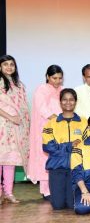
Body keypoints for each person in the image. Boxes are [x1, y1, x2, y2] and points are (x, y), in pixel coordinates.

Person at [42, 88, 88, 210]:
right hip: (57, 168)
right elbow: (48, 146)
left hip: (77, 170)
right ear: (60, 102)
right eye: (65, 100)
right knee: (57, 206)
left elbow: (87, 145)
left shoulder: (84, 122)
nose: (68, 102)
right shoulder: (51, 123)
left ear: (75, 102)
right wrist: (69, 146)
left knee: (72, 205)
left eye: (71, 100)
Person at [28, 64, 63, 199]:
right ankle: (46, 191)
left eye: (60, 78)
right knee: (45, 158)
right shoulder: (41, 89)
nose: (57, 81)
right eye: (54, 78)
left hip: (60, 131)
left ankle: (56, 188)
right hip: (45, 129)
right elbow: (43, 108)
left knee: (57, 158)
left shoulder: (62, 90)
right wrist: (58, 119)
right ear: (48, 77)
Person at [0, 55, 30, 204]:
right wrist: (10, 118)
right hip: (2, 127)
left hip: (16, 130)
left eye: (12, 64)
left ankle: (8, 192)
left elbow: (24, 108)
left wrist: (23, 123)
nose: (9, 67)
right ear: (0, 67)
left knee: (10, 161)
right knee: (0, 159)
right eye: (5, 64)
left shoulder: (19, 85)